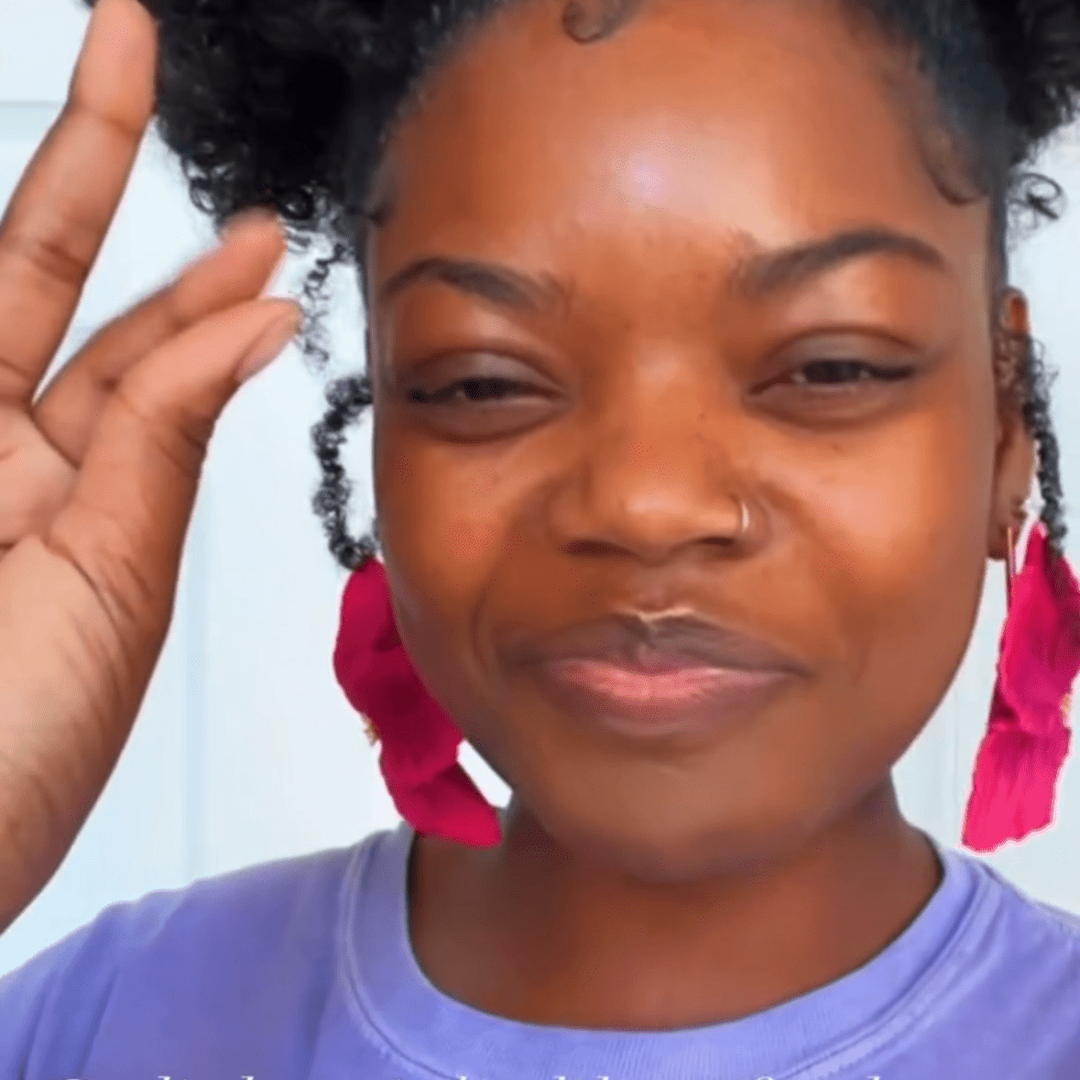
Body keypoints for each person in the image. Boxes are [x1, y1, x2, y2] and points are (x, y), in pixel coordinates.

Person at [2, 0, 1080, 1074]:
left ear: (1005, 432)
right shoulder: (96, 1029)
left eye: (832, 367)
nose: (643, 506)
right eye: (483, 380)